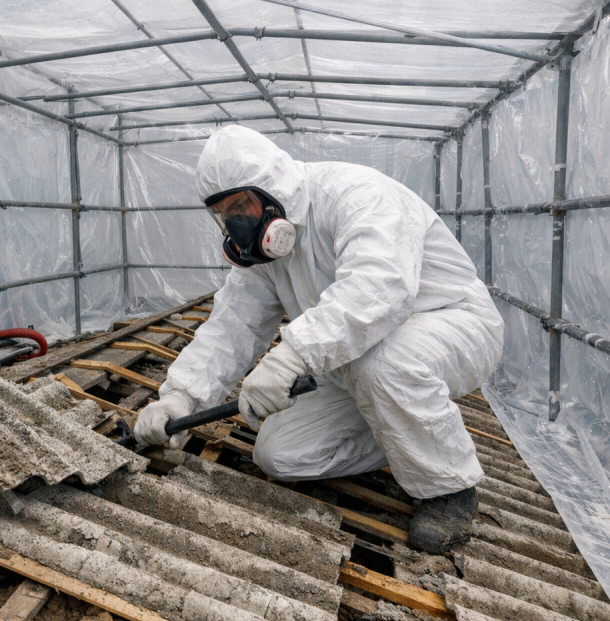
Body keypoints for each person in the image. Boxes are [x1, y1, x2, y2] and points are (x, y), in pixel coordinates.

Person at [134, 125, 504, 553]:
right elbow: (232, 325)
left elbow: (378, 288)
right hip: (355, 351)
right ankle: (408, 429)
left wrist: (293, 355)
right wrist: (180, 398)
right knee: (280, 455)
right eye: (223, 213)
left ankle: (448, 487)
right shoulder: (264, 250)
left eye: (241, 206)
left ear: (272, 190)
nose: (235, 224)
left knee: (384, 365)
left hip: (450, 322)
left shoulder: (357, 195)